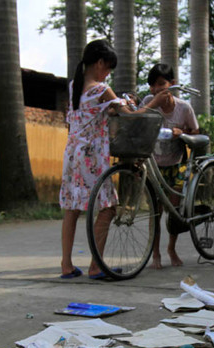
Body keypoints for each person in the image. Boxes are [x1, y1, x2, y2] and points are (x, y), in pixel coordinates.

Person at [59, 40, 169, 280]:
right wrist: (154, 102)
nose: (108, 73)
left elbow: (91, 113)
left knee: (72, 208)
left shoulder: (74, 86)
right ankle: (96, 266)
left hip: (72, 153)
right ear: (100, 63)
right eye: (108, 68)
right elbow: (131, 117)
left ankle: (66, 265)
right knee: (108, 208)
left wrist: (112, 107)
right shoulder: (101, 89)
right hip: (92, 156)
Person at [140, 64, 199, 269]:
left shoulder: (184, 108)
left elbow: (196, 131)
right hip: (153, 166)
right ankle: (154, 254)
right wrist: (152, 103)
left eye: (161, 84)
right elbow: (137, 119)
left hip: (175, 164)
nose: (156, 89)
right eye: (152, 85)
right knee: (154, 212)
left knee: (173, 210)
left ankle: (171, 248)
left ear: (172, 85)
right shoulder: (148, 102)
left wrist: (180, 132)